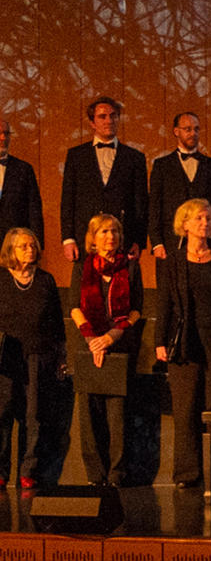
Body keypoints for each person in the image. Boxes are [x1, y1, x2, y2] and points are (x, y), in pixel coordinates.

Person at [155, 198, 211, 487]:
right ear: (186, 224)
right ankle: (187, 474)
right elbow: (164, 303)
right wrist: (160, 341)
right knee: (186, 408)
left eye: (209, 218)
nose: (205, 223)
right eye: (199, 219)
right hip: (184, 343)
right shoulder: (173, 262)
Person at [67, 213, 142, 484]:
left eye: (114, 231)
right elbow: (74, 306)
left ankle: (116, 474)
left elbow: (135, 311)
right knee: (89, 415)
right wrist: (93, 341)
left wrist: (110, 338)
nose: (110, 237)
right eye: (103, 232)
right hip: (89, 345)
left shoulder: (131, 267)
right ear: (93, 238)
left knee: (118, 416)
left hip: (120, 344)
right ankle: (94, 476)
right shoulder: (82, 266)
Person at [0, 228, 63, 489]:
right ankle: (1, 471)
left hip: (38, 356)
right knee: (2, 412)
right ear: (10, 251)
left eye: (32, 245)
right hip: (6, 357)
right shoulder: (1, 279)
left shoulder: (46, 280)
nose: (30, 250)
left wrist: (60, 354)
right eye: (23, 246)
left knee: (34, 414)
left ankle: (29, 469)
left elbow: (57, 323)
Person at [60, 96, 147, 261]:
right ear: (92, 123)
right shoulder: (76, 156)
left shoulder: (135, 157)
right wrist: (68, 239)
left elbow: (141, 203)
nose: (109, 120)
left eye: (113, 116)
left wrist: (138, 240)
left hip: (123, 242)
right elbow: (68, 200)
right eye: (102, 116)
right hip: (86, 240)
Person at [148, 112, 211, 257]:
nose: (193, 133)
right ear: (176, 131)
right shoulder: (162, 166)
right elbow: (154, 206)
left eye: (196, 129)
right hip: (170, 243)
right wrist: (157, 243)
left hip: (206, 243)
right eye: (188, 129)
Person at [0, 123, 45, 254]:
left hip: (16, 246)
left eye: (6, 133)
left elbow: (34, 210)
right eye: (0, 133)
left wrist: (37, 245)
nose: (3, 138)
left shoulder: (23, 169)